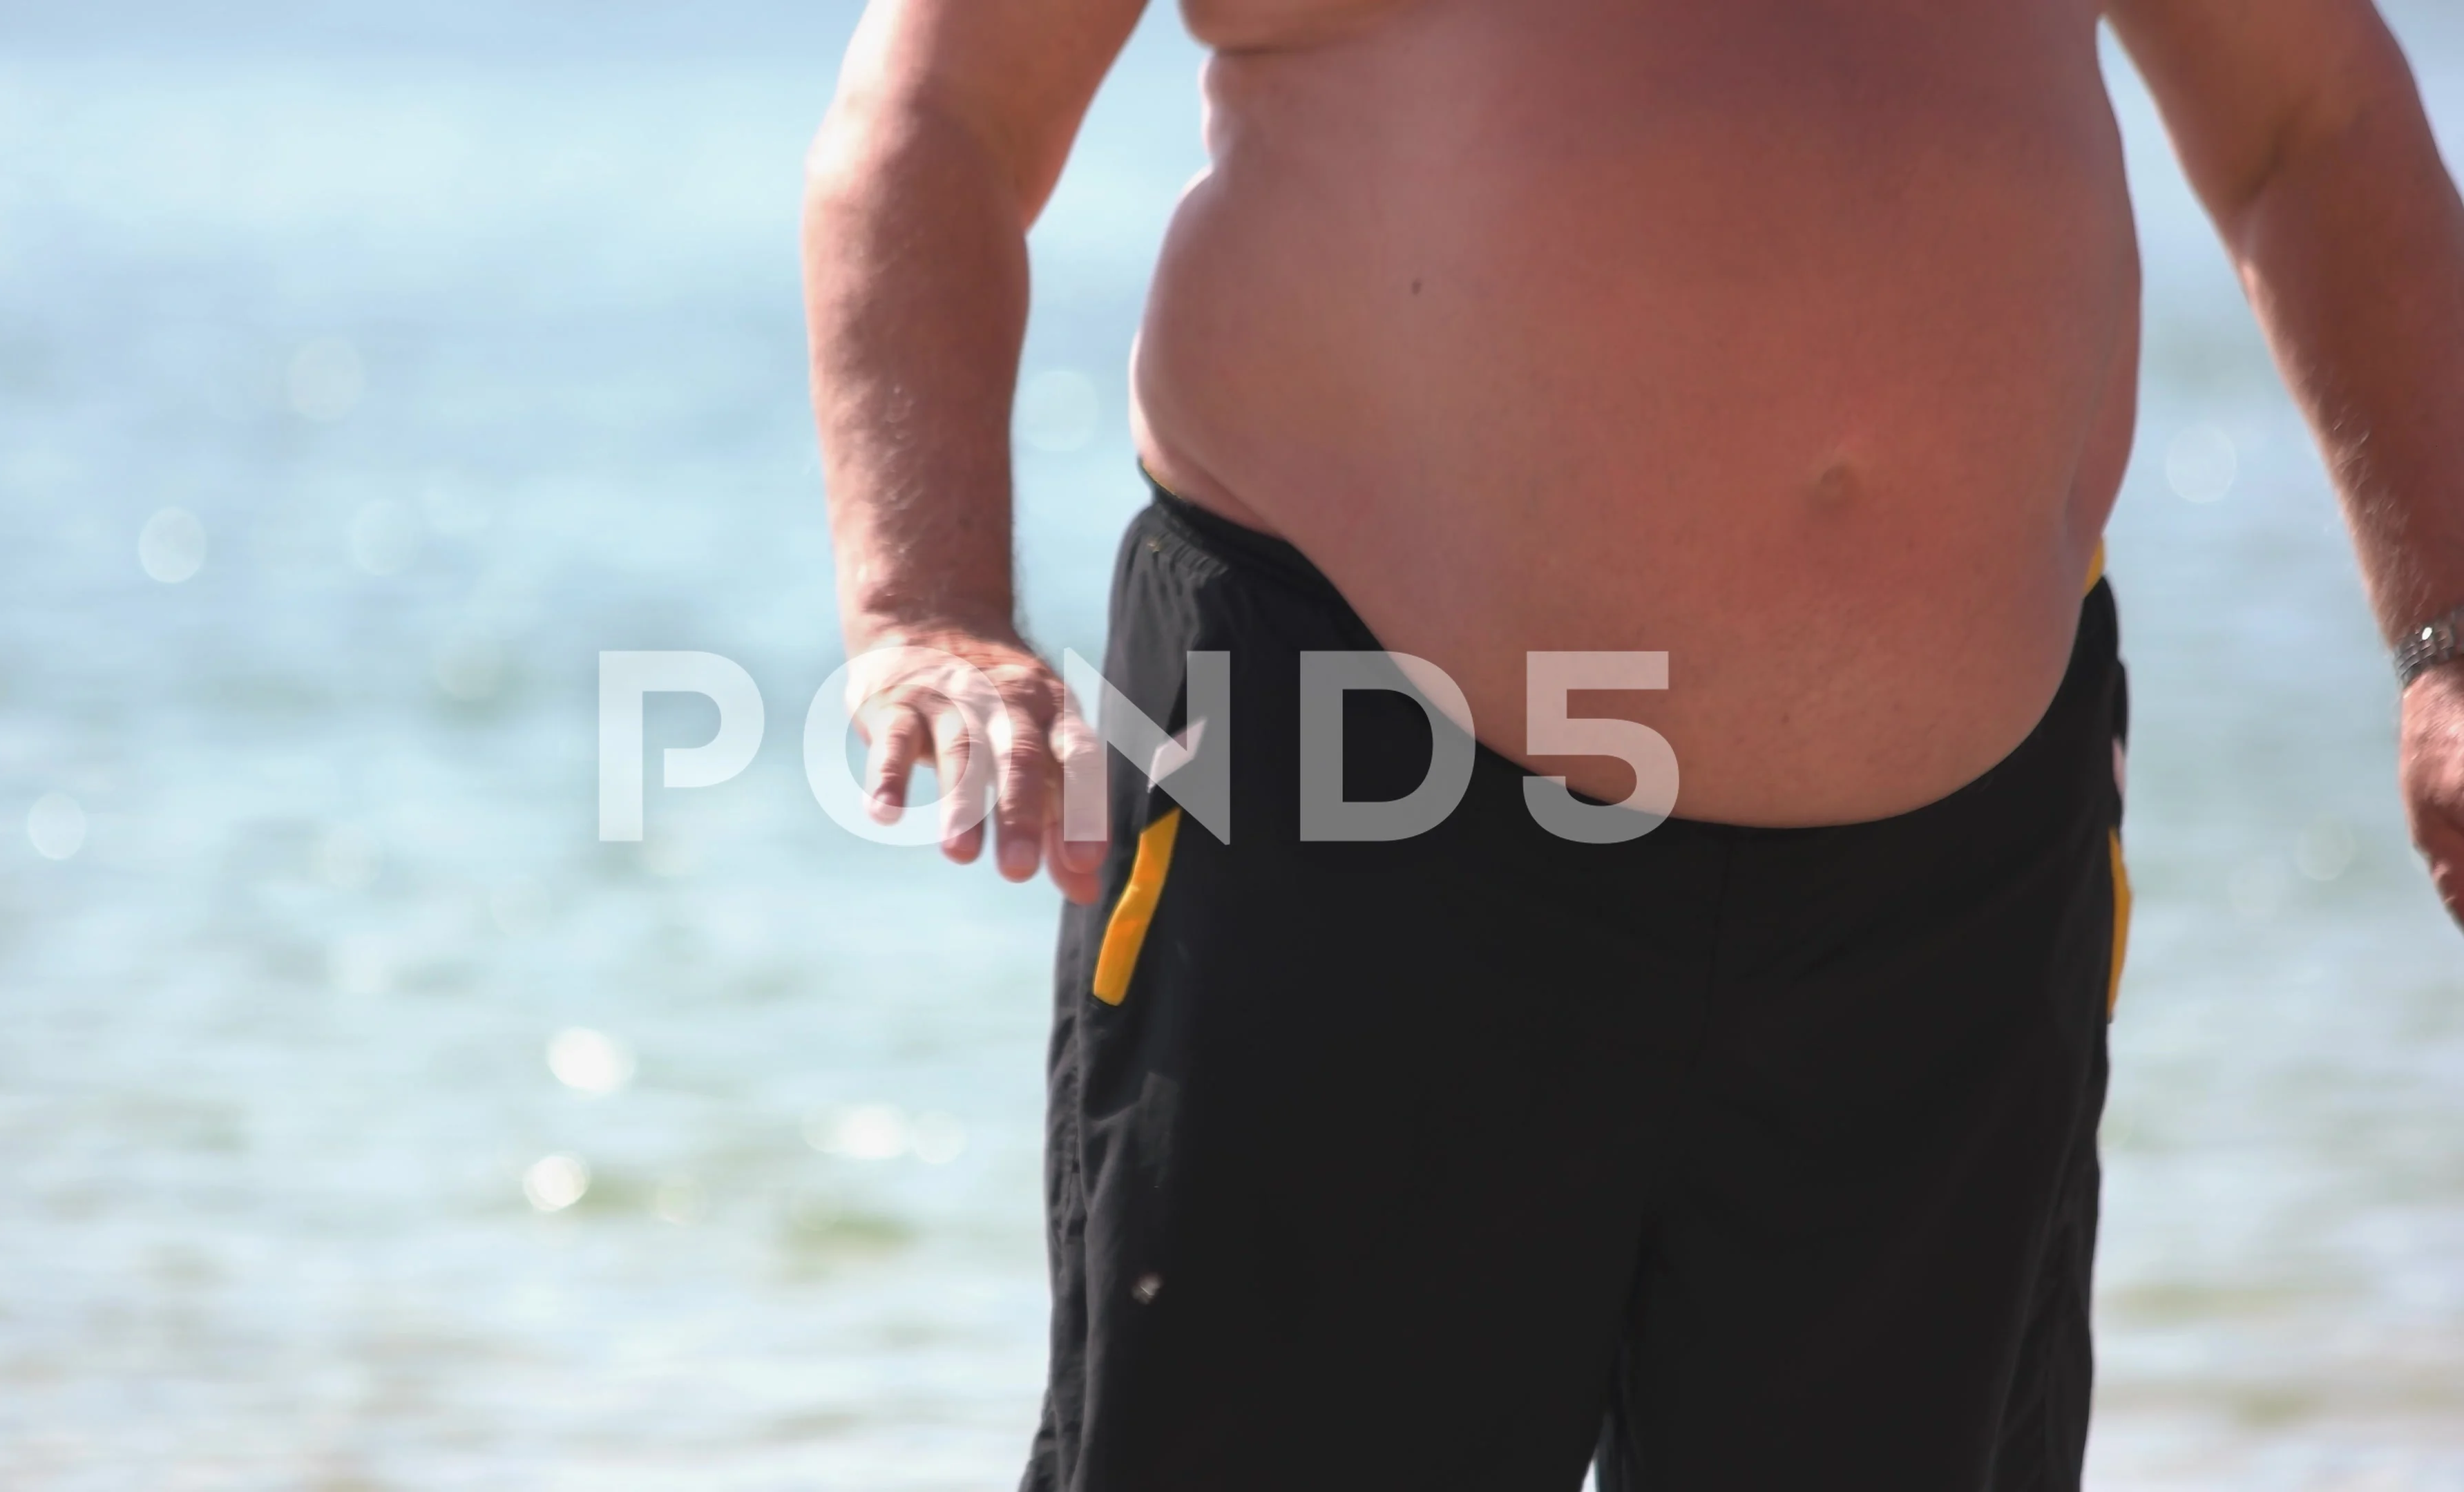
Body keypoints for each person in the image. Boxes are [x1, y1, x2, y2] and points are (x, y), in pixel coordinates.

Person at [801, 1, 2464, 1486]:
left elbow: (2308, 124)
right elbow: (937, 112)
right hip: (1351, 786)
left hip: (1953, 870)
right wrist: (925, 611)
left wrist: (2451, 640)